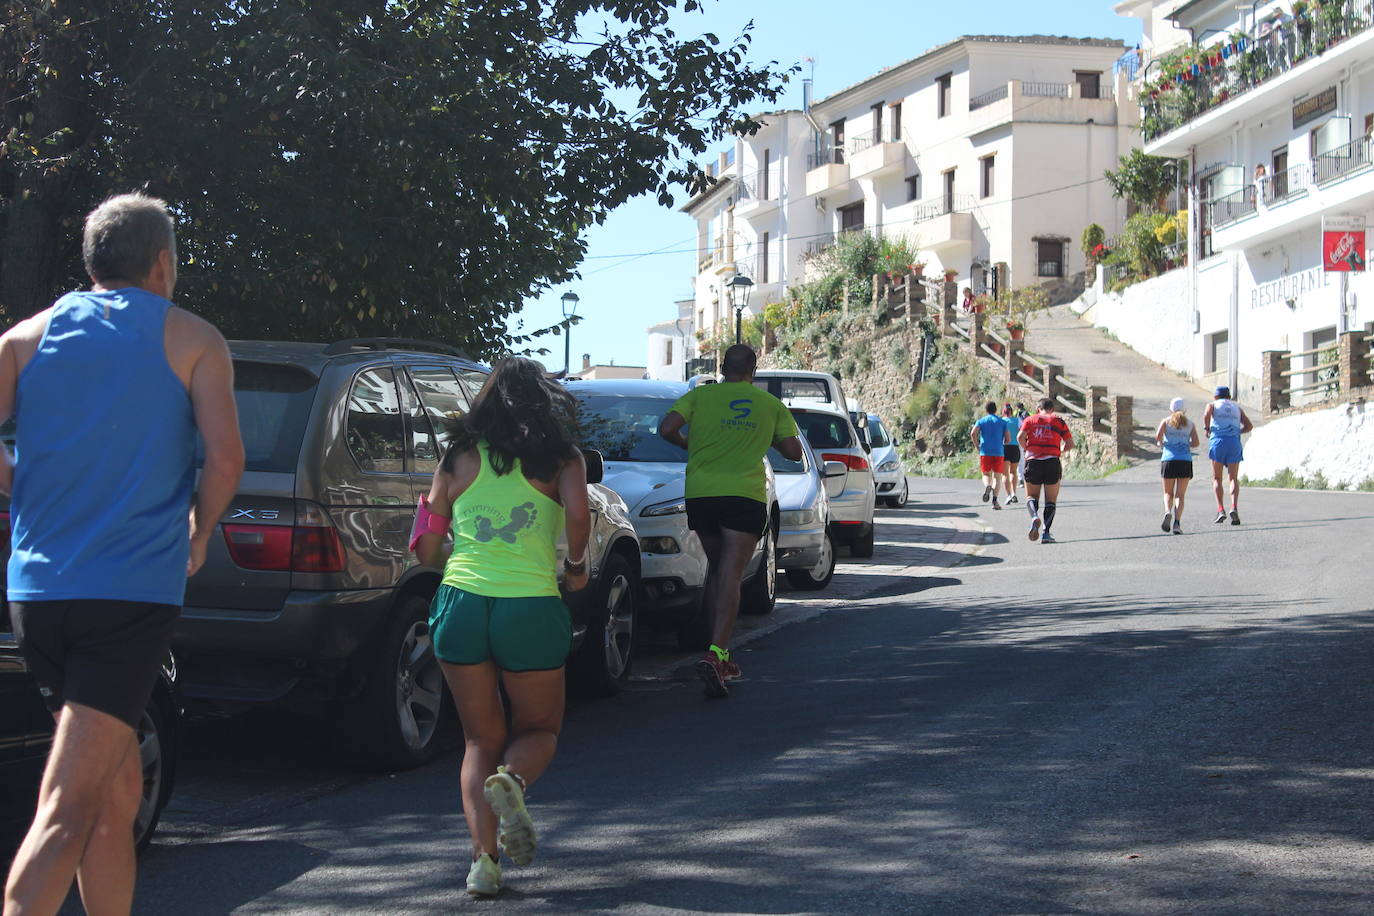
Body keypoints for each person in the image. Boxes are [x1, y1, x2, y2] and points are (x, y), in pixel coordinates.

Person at [2, 193, 244, 916]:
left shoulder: (26, 337)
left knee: (117, 790)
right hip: (129, 596)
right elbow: (225, 459)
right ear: (163, 262)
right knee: (67, 805)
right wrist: (198, 533)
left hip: (37, 596)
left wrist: (21, 481)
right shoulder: (194, 339)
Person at [411, 357, 591, 897]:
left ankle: (484, 866)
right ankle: (511, 782)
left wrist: (452, 549)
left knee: (476, 740)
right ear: (544, 401)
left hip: (462, 603)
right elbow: (579, 516)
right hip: (528, 606)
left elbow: (425, 547)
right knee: (539, 730)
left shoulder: (458, 456)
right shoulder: (562, 458)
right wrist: (577, 567)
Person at [658, 344, 803, 698]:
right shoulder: (770, 405)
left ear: (722, 367)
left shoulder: (701, 396)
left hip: (702, 493)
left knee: (718, 569)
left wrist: (688, 444)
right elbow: (794, 451)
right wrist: (763, 436)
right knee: (731, 575)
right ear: (754, 370)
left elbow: (665, 428)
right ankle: (717, 654)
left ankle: (714, 646)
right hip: (743, 494)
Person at [1017, 397, 1074, 544]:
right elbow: (1069, 443)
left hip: (1033, 462)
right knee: (1051, 500)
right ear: (1052, 410)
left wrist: (1026, 448)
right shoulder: (1059, 421)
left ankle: (1034, 516)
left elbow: (1020, 437)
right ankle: (1046, 533)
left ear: (1038, 409)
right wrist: (1060, 450)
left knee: (1031, 496)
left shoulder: (1030, 420)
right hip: (1052, 462)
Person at [1202, 385, 1253, 525]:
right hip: (1234, 442)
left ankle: (1220, 509)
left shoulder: (1212, 405)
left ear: (1215, 396)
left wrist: (1207, 429)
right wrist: (1237, 432)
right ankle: (1234, 507)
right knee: (1233, 478)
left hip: (1218, 441)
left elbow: (1207, 414)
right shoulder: (1237, 408)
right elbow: (1249, 426)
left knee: (1217, 478)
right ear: (1229, 396)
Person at [1156, 397, 1200, 535]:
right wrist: (1186, 444)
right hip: (1185, 460)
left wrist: (1162, 444)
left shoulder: (1165, 422)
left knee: (1168, 493)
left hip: (1168, 460)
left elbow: (1158, 437)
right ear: (1185, 409)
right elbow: (1196, 443)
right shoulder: (1190, 424)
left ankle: (1167, 511)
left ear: (1171, 409)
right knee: (1180, 495)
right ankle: (1177, 523)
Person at [971, 401, 1009, 510]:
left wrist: (977, 446)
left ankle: (988, 485)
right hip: (998, 452)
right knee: (997, 477)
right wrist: (1003, 443)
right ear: (996, 410)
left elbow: (973, 433)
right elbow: (1008, 439)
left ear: (986, 410)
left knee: (986, 474)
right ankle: (995, 501)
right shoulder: (1002, 422)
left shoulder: (981, 421)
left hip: (985, 451)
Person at [1001, 403, 1023, 503]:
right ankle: (1014, 492)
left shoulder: (1001, 421)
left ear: (1003, 412)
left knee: (1005, 474)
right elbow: (1022, 431)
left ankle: (1009, 495)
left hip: (1004, 448)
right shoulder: (1017, 420)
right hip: (1015, 448)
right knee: (1013, 472)